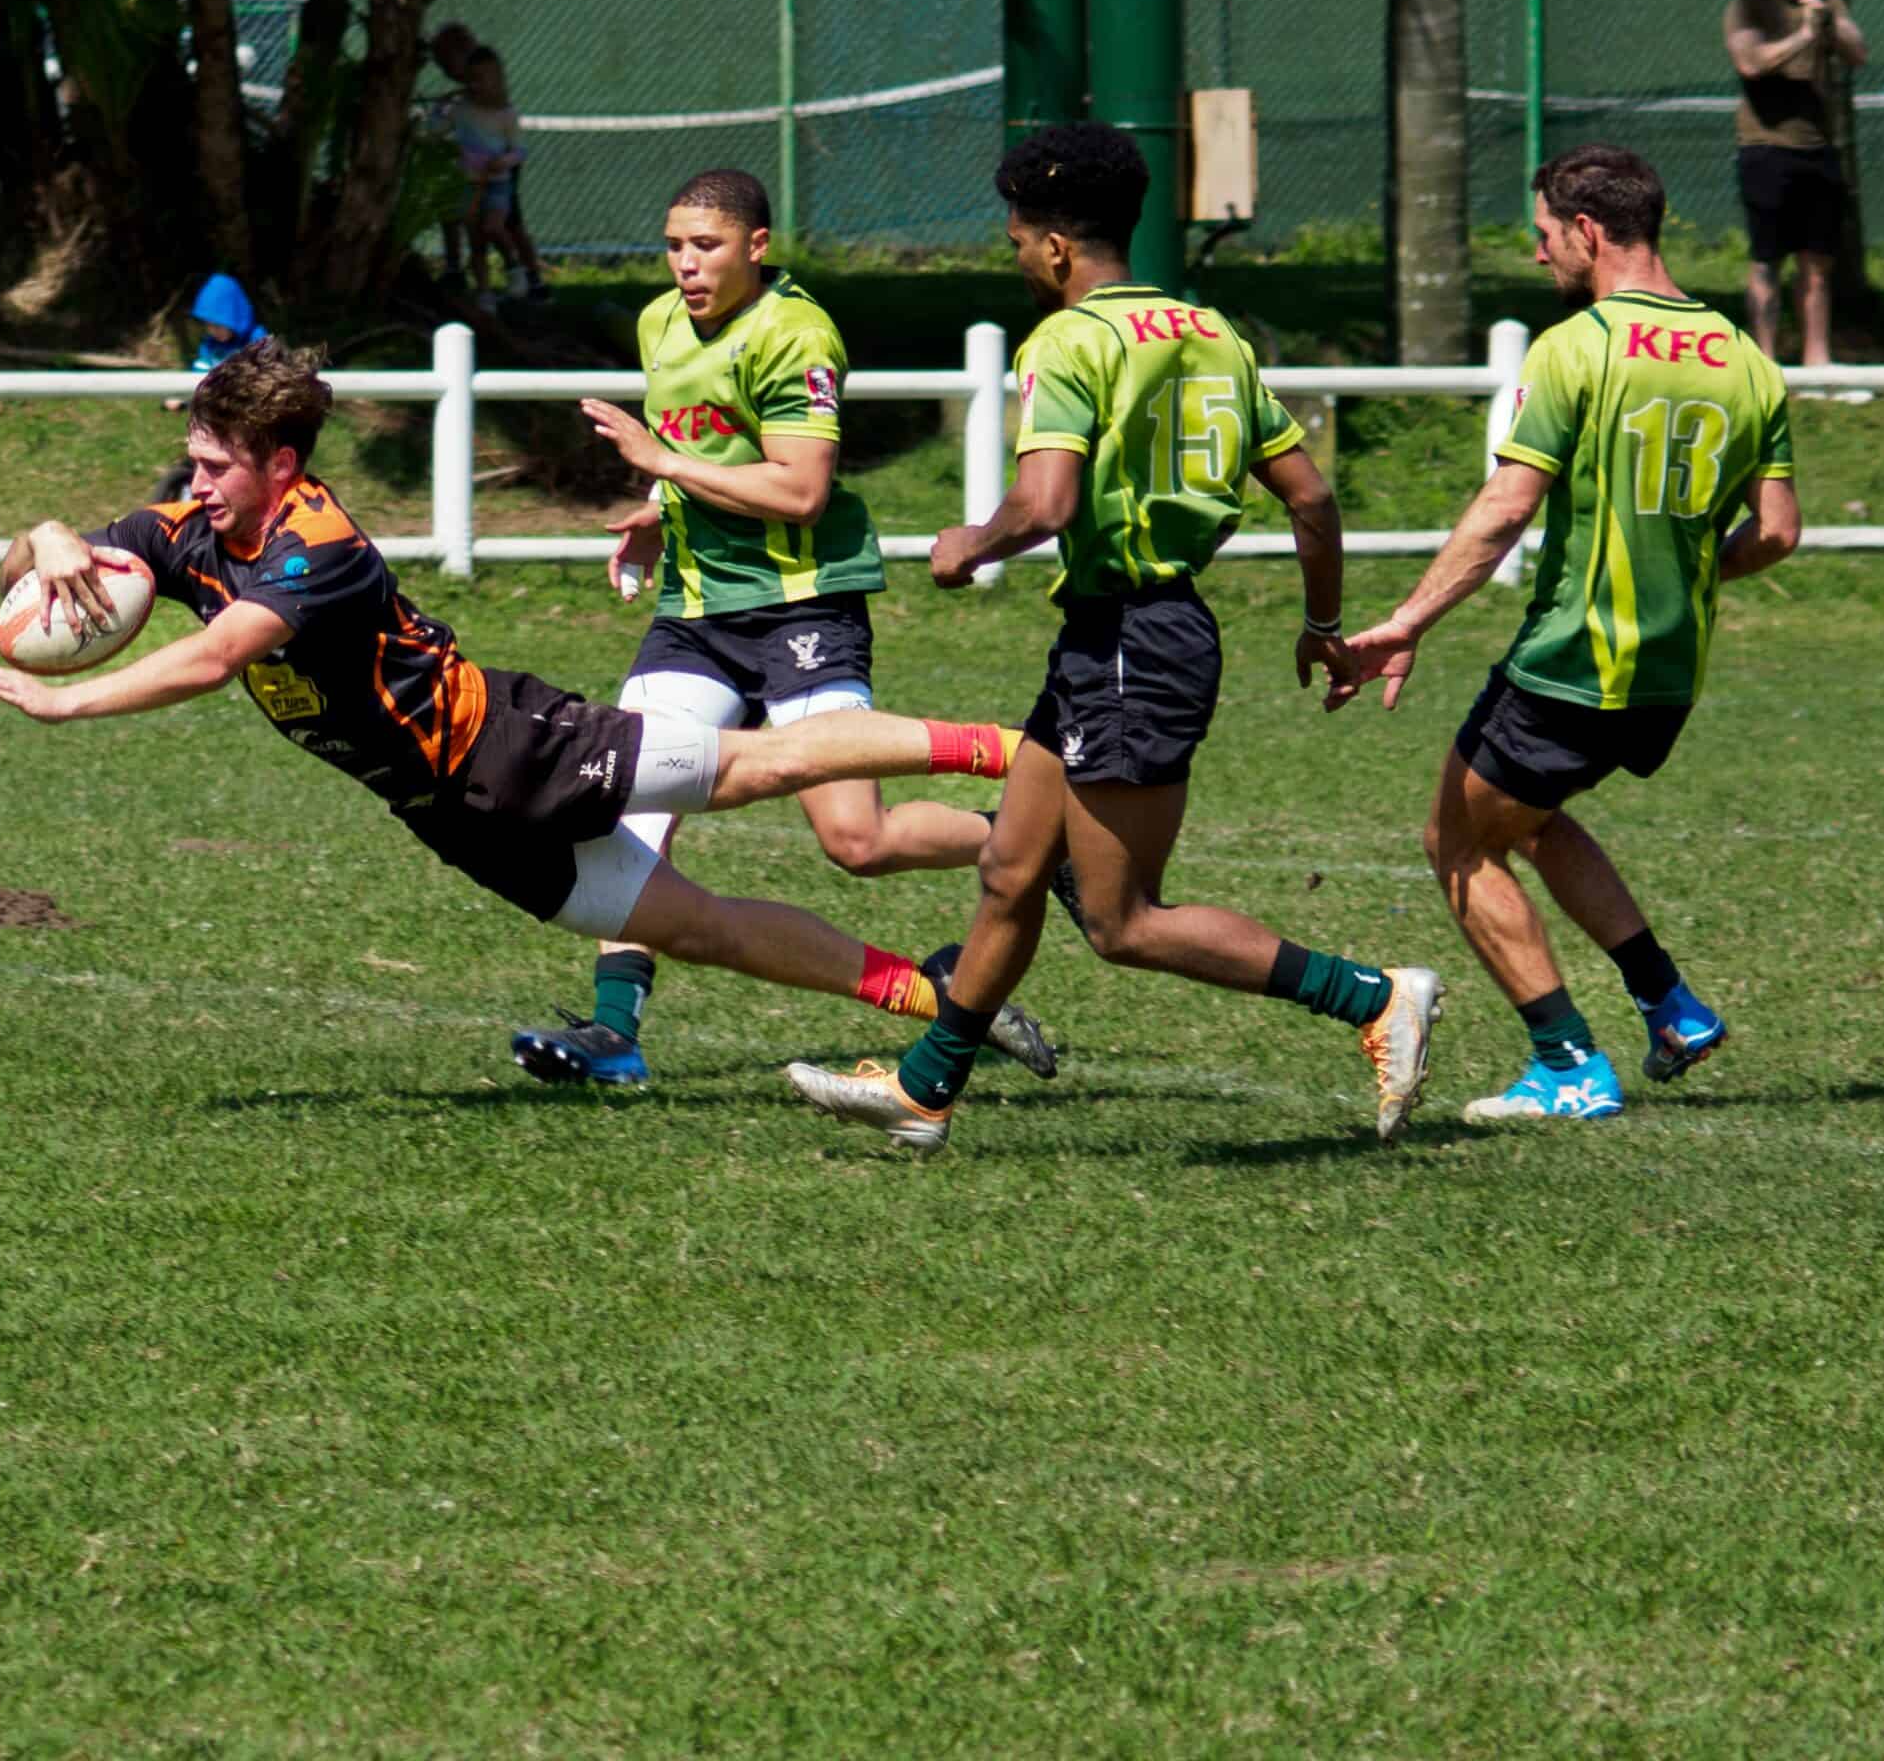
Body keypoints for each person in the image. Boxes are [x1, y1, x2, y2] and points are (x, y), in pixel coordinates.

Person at [0, 338, 1046, 1060]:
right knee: (699, 928)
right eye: (191, 462)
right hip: (451, 815)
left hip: (515, 747)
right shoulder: (184, 531)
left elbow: (213, 659)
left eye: (214, 466)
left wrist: (69, 705)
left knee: (760, 767)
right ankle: (945, 1000)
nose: (193, 484)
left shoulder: (317, 547)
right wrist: (49, 537)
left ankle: (1021, 752)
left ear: (281, 463)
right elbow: (41, 564)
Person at [782, 122, 1443, 1154]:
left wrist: (971, 543)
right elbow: (1311, 498)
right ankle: (924, 1090)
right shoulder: (1213, 334)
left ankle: (1374, 995)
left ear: (1054, 246)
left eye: (1015, 241)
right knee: (1011, 867)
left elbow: (1046, 502)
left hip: (1134, 641)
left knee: (1121, 919)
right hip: (1124, 632)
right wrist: (1322, 624)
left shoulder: (1068, 341)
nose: (1016, 258)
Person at [506, 167, 1048, 1091]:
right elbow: (703, 455)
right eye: (674, 246)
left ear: (757, 246)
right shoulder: (659, 324)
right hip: (695, 614)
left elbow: (801, 491)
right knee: (630, 811)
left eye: (706, 246)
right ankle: (614, 1033)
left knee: (857, 843)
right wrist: (657, 511)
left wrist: (660, 463)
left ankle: (1030, 830)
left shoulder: (796, 333)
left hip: (801, 606)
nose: (685, 264)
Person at [1332, 144, 1800, 1123]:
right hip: (1668, 671)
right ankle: (1671, 1007)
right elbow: (1779, 532)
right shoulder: (1748, 362)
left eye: (1544, 235)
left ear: (1588, 230)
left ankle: (1568, 1063)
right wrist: (1684, 572)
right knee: (1530, 819)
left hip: (1575, 659)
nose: (1538, 253)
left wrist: (1407, 620)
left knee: (1456, 842)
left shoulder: (1578, 348)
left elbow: (1506, 507)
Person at [1723, 0, 1867, 369]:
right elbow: (1750, 62)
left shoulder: (1827, 5)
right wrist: (1803, 36)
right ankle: (1764, 363)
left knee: (1818, 263)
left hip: (1817, 150)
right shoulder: (1748, 7)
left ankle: (1816, 362)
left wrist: (1825, 20)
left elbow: (1858, 53)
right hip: (1765, 148)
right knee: (1766, 261)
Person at [428, 22, 545, 303]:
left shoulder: (490, 88)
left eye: (447, 61)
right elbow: (442, 124)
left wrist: (503, 162)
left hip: (498, 170)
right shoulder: (463, 101)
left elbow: (513, 144)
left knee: (509, 223)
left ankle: (532, 278)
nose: (448, 72)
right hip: (470, 173)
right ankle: (460, 272)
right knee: (460, 219)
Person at [453, 46, 542, 310]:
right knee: (476, 241)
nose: (475, 85)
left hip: (497, 183)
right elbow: (437, 129)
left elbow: (519, 150)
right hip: (468, 182)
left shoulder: (506, 114)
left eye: (482, 78)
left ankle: (514, 267)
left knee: (493, 227)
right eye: (471, 78)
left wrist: (503, 161)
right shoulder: (460, 109)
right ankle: (484, 293)